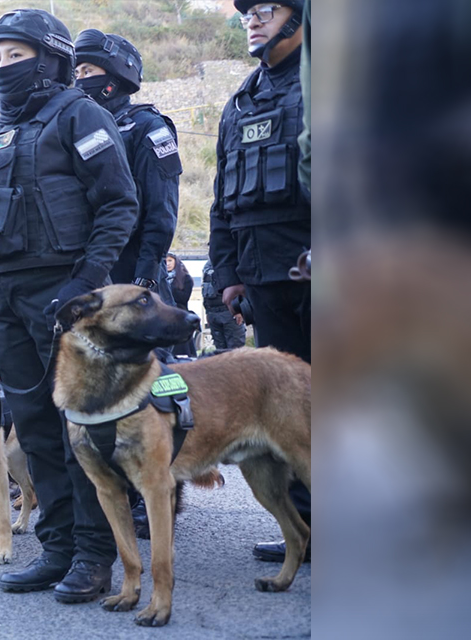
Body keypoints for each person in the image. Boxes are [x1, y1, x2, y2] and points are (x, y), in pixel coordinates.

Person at [0, 8, 137, 600]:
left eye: (16, 56)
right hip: (2, 297)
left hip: (61, 294)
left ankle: (93, 554)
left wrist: (83, 282)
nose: (3, 68)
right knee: (32, 426)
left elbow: (118, 204)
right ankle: (56, 549)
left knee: (77, 427)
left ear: (50, 58)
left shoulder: (80, 114)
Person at [210, 0, 311, 562]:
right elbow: (226, 201)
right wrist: (226, 275)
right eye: (246, 12)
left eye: (266, 8)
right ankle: (307, 527)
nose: (252, 18)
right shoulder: (241, 100)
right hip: (263, 276)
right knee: (287, 409)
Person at [73, 29, 179, 295]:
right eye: (76, 74)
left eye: (88, 71)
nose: (81, 80)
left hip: (132, 266)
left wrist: (146, 275)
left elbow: (161, 209)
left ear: (115, 76)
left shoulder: (146, 127)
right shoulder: (76, 130)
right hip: (87, 269)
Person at [201, 259, 246, 350]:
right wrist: (208, 312)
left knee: (235, 349)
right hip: (213, 314)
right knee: (219, 349)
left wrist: (238, 311)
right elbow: (205, 291)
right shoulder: (207, 266)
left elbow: (239, 289)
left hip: (230, 313)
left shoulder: (231, 261)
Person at [164, 253, 196, 357]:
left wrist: (170, 287)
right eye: (165, 261)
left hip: (180, 315)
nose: (167, 264)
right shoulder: (160, 278)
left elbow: (184, 298)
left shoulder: (185, 278)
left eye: (170, 261)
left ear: (175, 262)